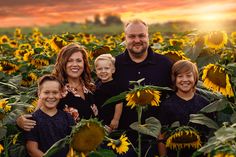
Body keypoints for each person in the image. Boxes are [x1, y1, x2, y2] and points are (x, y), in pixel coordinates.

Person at [113, 19, 173, 157]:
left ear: (148, 36)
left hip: (156, 140)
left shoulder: (164, 64)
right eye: (132, 36)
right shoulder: (114, 65)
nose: (137, 40)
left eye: (141, 35)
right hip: (124, 141)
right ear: (125, 38)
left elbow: (175, 94)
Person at [17, 43, 98, 130]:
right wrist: (20, 121)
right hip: (64, 141)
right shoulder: (55, 88)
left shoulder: (90, 87)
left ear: (84, 63)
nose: (75, 64)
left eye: (79, 60)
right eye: (69, 61)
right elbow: (36, 116)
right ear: (63, 63)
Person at [157, 60, 210, 157]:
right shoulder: (167, 105)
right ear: (174, 79)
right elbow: (161, 137)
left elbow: (209, 136)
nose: (185, 80)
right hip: (174, 153)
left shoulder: (205, 104)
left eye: (189, 75)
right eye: (180, 76)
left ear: (195, 78)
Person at [24, 74, 75, 157]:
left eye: (55, 92)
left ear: (61, 94)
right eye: (46, 92)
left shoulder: (67, 117)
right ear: (39, 94)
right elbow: (32, 149)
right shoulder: (33, 119)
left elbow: (74, 144)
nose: (51, 96)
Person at [94, 53, 123, 132]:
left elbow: (119, 103)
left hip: (110, 118)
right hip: (99, 118)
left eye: (106, 68)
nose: (103, 71)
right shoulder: (98, 83)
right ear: (96, 71)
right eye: (99, 69)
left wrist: (115, 119)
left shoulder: (115, 85)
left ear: (113, 70)